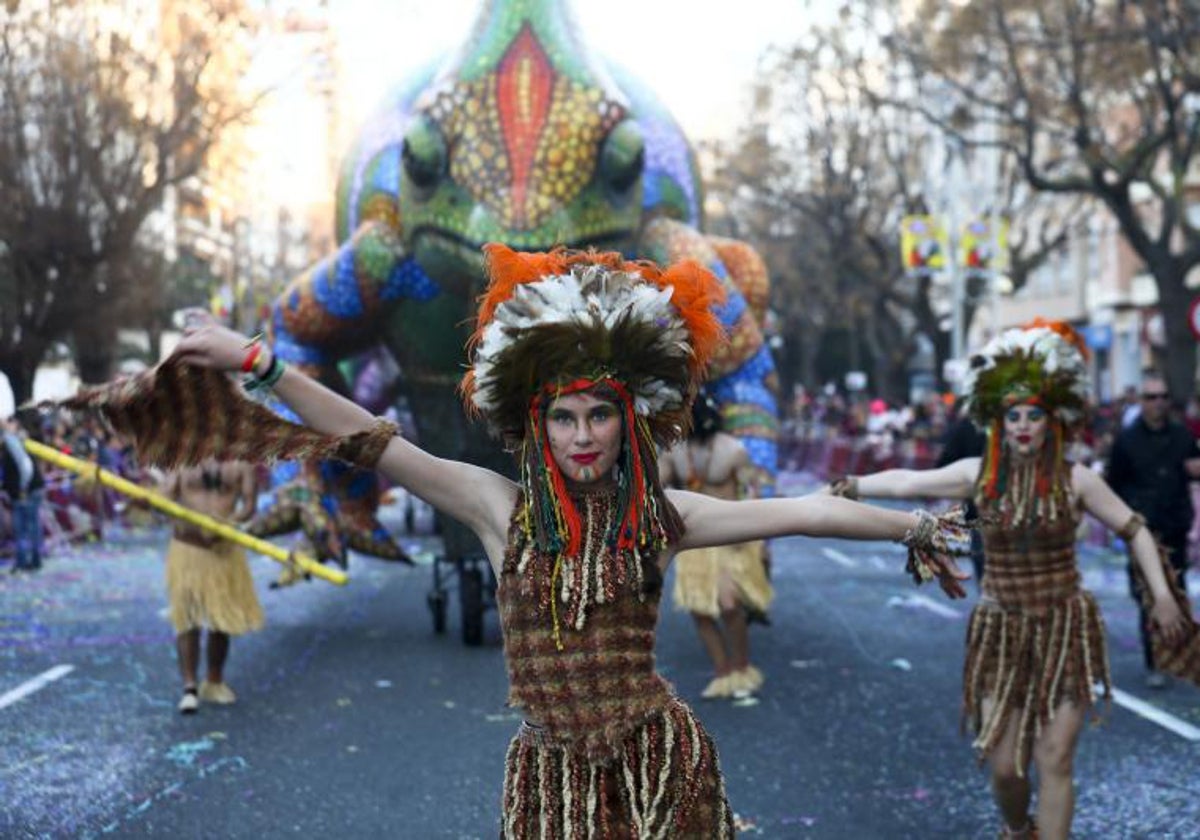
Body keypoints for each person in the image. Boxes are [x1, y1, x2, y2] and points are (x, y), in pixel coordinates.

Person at [159, 245, 968, 835]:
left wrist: (914, 525)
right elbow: (372, 439)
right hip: (551, 782)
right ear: (536, 425)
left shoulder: (662, 517)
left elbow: (809, 512)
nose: (583, 435)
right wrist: (259, 362)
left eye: (599, 414)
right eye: (564, 417)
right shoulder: (492, 507)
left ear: (627, 421)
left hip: (659, 764)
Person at [825, 321, 1193, 840]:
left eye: (1034, 415)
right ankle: (1020, 828)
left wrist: (1161, 596)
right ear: (998, 421)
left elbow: (1135, 529)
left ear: (1052, 421)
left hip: (1066, 628)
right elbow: (911, 481)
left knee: (1055, 758)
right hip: (1000, 631)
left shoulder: (1076, 480)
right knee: (1005, 767)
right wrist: (854, 484)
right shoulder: (980, 473)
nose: (1023, 425)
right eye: (1013, 415)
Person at [659, 391, 773, 700]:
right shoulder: (673, 452)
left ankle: (741, 667)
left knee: (729, 605)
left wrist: (756, 539)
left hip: (731, 536)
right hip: (694, 540)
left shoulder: (734, 450)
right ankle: (723, 672)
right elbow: (657, 488)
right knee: (700, 610)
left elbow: (751, 491)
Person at [1105, 372, 1200, 689]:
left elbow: (1194, 466)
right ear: (1141, 402)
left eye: (1162, 397)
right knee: (1147, 596)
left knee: (1177, 592)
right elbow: (1111, 486)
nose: (1158, 403)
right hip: (1141, 529)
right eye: (1151, 397)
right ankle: (1155, 661)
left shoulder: (1182, 435)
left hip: (1174, 525)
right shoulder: (1126, 440)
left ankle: (1179, 656)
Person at [161, 459, 263, 714]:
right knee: (188, 618)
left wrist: (228, 524)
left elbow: (249, 506)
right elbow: (165, 496)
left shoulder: (242, 463)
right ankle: (189, 687)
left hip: (223, 549)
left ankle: (214, 680)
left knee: (221, 619)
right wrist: (164, 505)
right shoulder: (182, 458)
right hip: (188, 546)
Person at [2, 415, 45, 573]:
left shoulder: (11, 440)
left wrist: (22, 489)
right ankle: (35, 559)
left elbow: (25, 467)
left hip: (25, 491)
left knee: (22, 527)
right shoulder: (21, 439)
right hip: (32, 488)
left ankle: (23, 561)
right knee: (33, 525)